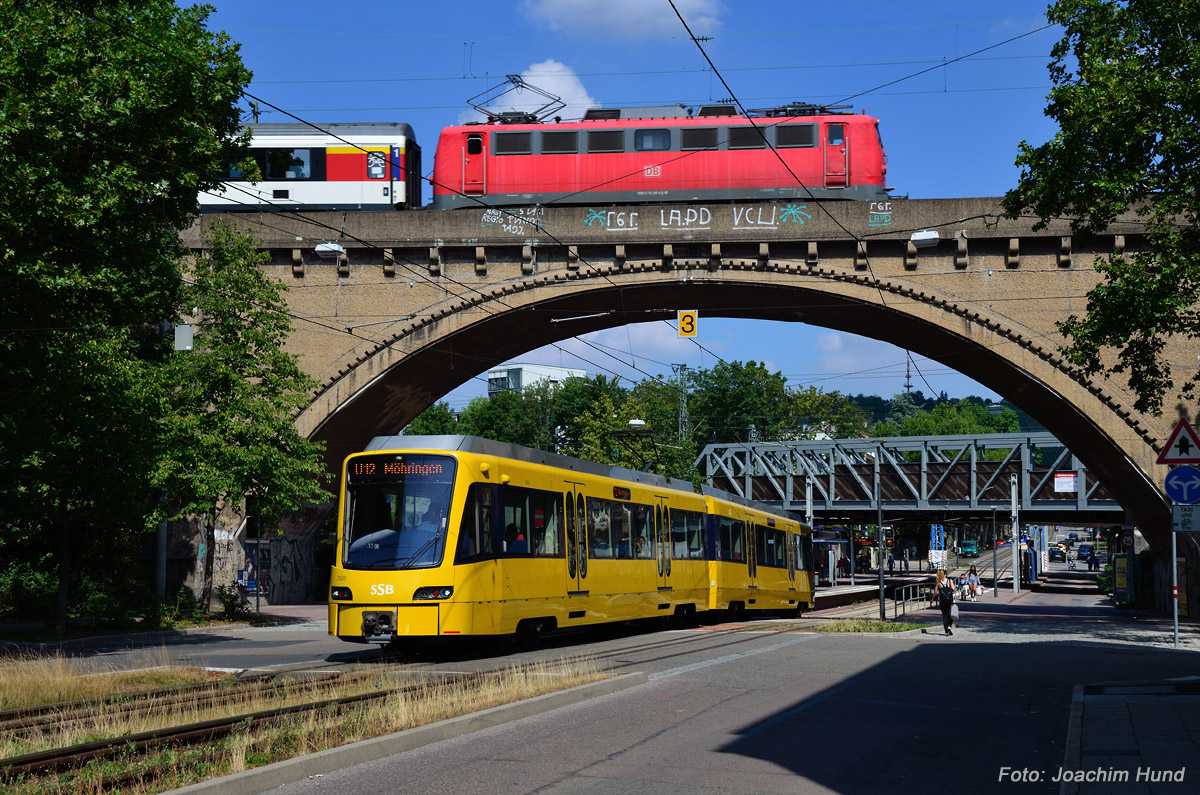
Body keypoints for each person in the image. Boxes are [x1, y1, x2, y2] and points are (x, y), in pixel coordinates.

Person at [935, 568, 955, 636]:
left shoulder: (938, 582)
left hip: (942, 601)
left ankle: (946, 631)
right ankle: (949, 626)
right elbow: (953, 588)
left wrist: (932, 599)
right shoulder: (950, 580)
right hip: (949, 600)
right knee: (951, 614)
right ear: (945, 574)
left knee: (944, 615)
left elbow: (935, 592)